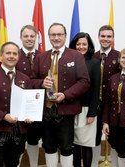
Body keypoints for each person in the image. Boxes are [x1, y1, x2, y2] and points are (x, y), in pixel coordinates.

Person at [31, 23, 90, 167]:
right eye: (53, 35)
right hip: (46, 110)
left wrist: (66, 95)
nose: (56, 38)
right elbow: (31, 81)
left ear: (65, 36)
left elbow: (84, 81)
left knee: (66, 146)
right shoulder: (40, 57)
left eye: (59, 35)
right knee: (48, 145)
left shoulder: (76, 56)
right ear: (49, 37)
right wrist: (41, 83)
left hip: (66, 109)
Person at [0, 41, 32, 167]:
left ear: (18, 57)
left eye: (14, 53)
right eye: (8, 53)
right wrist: (3, 116)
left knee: (14, 163)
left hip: (18, 131)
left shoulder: (25, 78)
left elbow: (28, 102)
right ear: (1, 56)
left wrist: (29, 116)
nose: (11, 56)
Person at [69, 32, 100, 167]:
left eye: (84, 44)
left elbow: (96, 89)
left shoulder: (94, 63)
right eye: (78, 44)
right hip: (70, 109)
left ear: (89, 46)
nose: (81, 47)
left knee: (86, 145)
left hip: (87, 110)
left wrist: (92, 113)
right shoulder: (68, 61)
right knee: (74, 145)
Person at [92, 25, 120, 167]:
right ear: (98, 37)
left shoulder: (120, 57)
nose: (105, 39)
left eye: (109, 36)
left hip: (113, 105)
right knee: (95, 137)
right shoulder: (93, 56)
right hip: (95, 104)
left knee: (114, 138)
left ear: (113, 39)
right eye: (103, 36)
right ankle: (94, 163)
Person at [15, 24, 42, 167]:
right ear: (21, 38)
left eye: (32, 36)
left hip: (39, 106)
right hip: (19, 106)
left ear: (36, 38)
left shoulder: (43, 56)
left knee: (34, 140)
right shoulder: (14, 55)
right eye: (26, 36)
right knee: (18, 140)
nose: (29, 39)